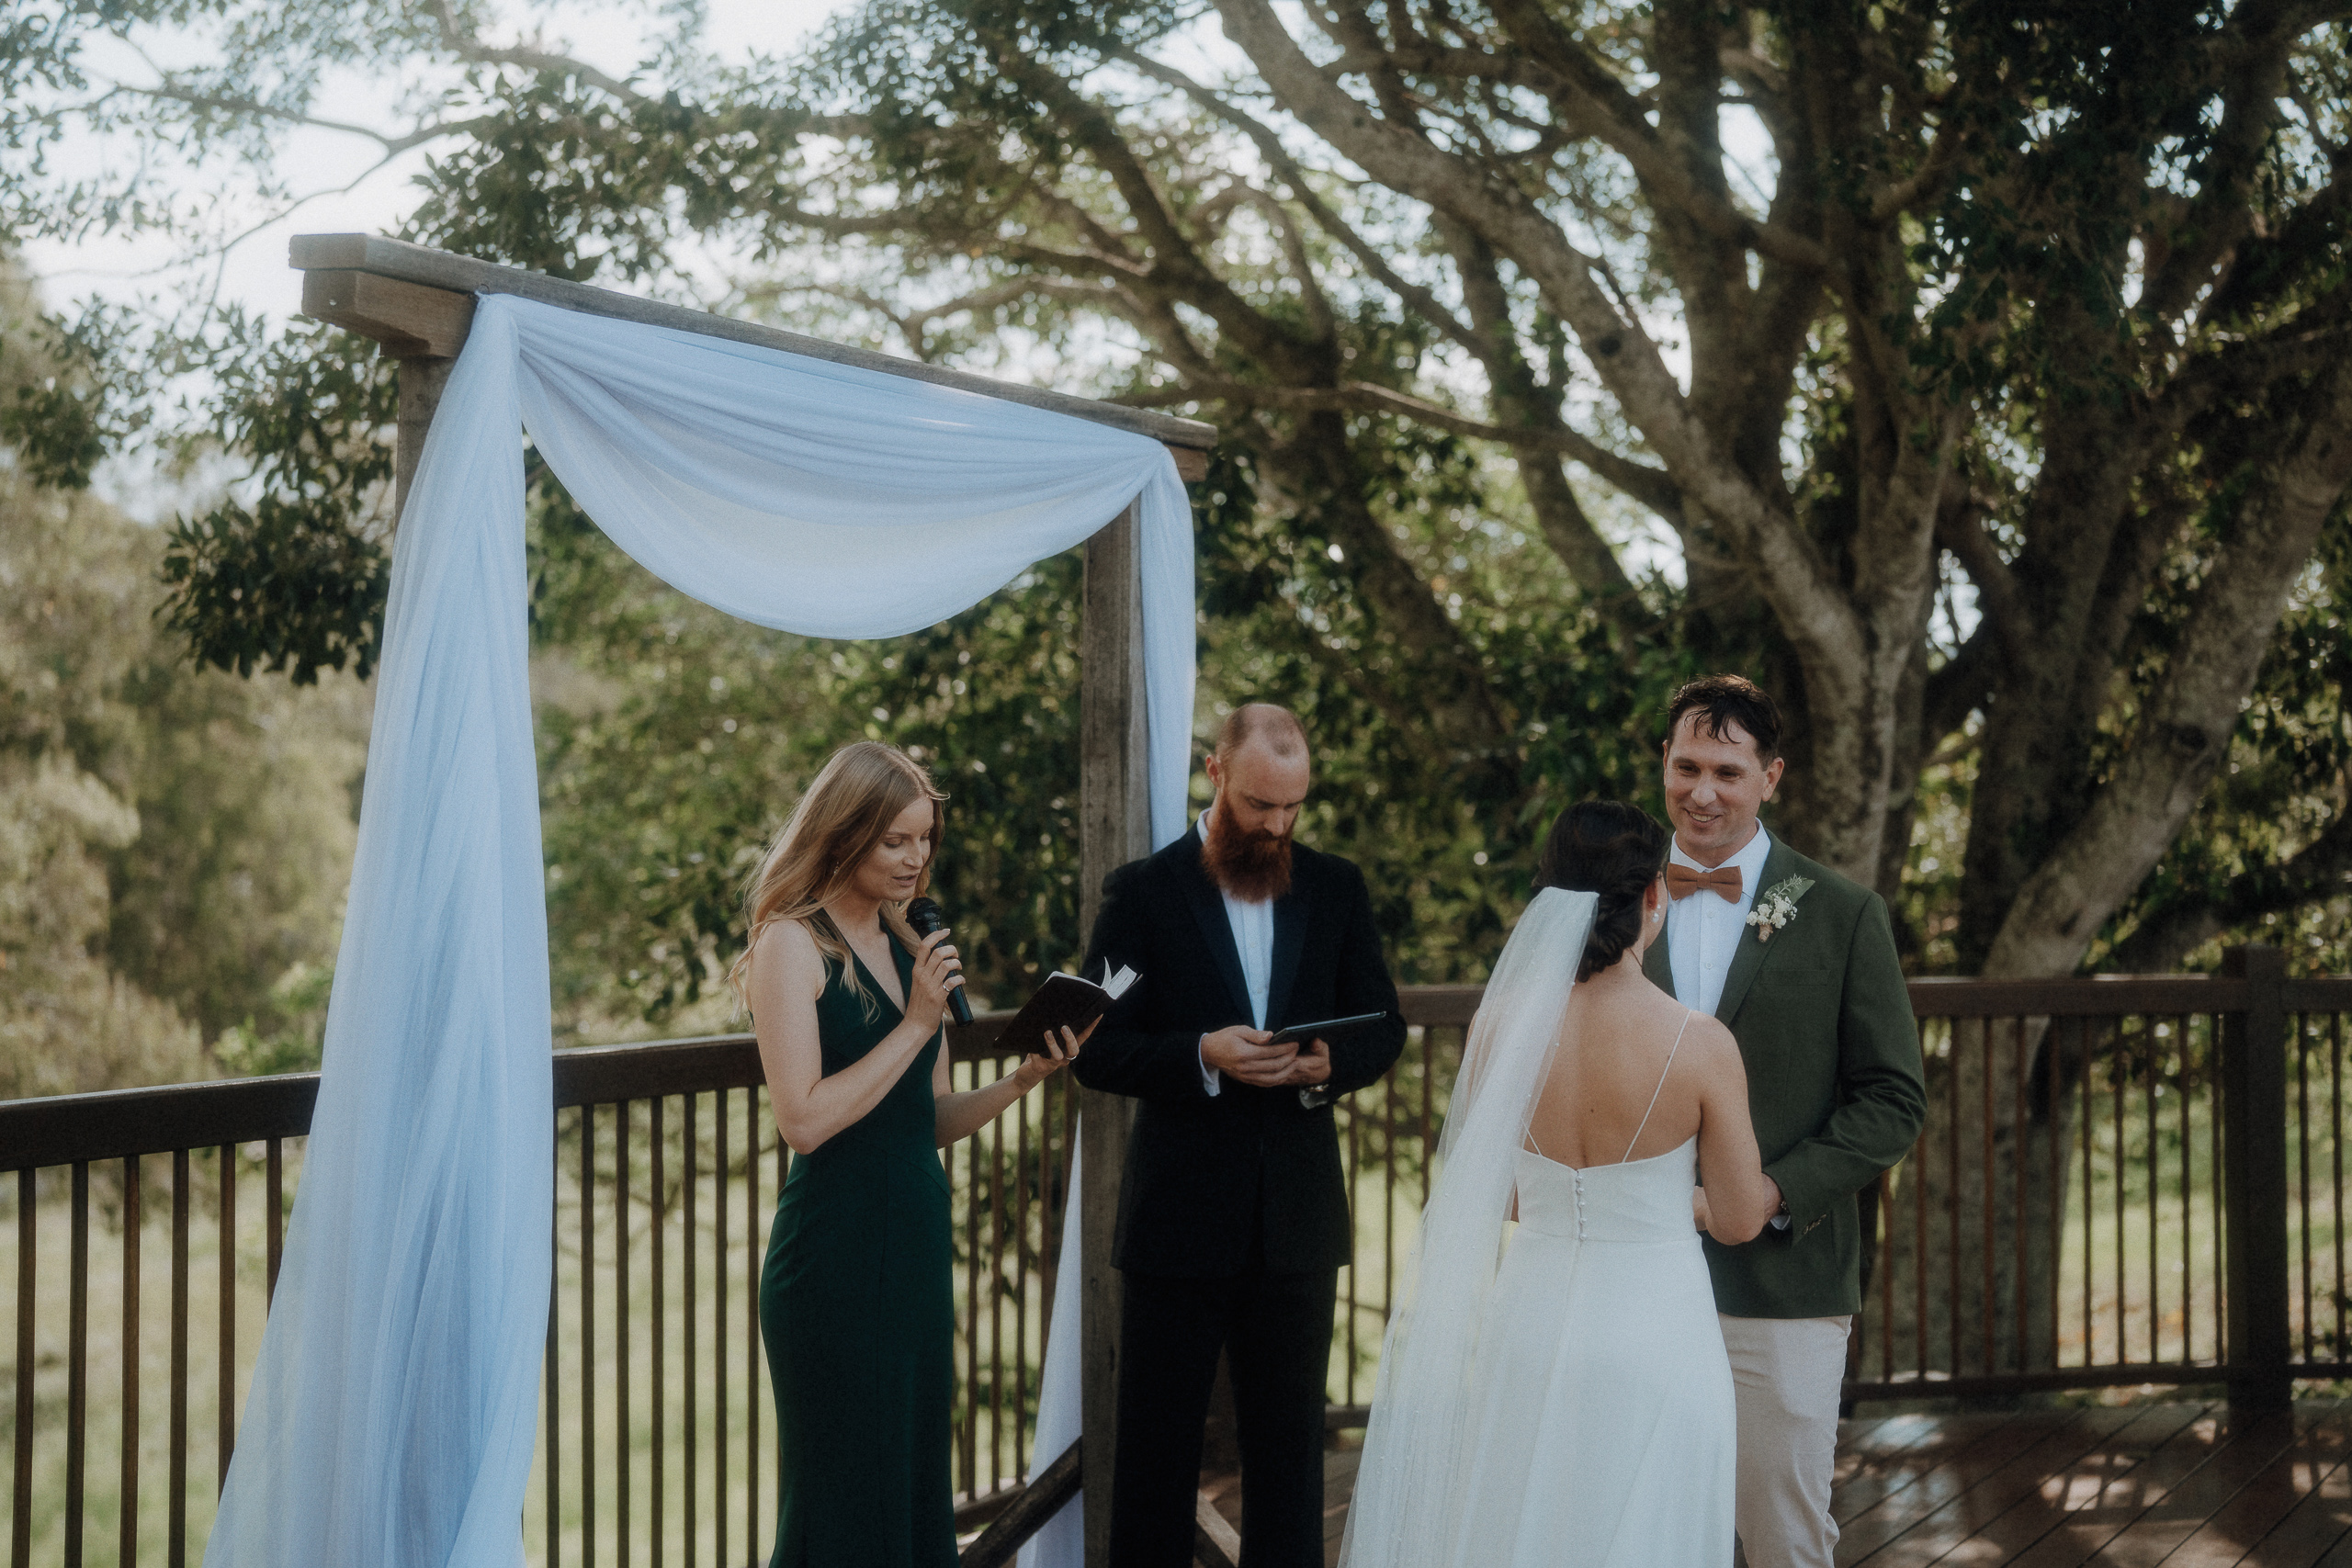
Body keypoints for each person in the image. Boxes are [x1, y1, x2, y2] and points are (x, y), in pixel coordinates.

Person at [1340, 799, 1780, 1568]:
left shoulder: (1498, 1025)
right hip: (1655, 1335)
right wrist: (1664, 1204)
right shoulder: (1700, 1043)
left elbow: (1498, 1190)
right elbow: (1741, 1217)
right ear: (1652, 896)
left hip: (1530, 1329)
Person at [734, 741, 1091, 1568]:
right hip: (833, 1261)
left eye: (925, 838)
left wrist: (1021, 1079)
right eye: (895, 839)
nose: (916, 857)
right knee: (842, 1499)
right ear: (844, 832)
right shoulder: (794, 943)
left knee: (912, 1485)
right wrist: (918, 1023)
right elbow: (806, 1119)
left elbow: (923, 1118)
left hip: (916, 1249)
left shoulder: (908, 948)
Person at [1072, 703, 1406, 1568]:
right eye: (1261, 805)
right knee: (1155, 1456)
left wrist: (1329, 1060)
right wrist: (1202, 1056)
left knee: (1291, 1458)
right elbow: (1095, 1051)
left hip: (1297, 1220)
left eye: (1294, 807)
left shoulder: (1337, 887)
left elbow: (1386, 1026)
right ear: (1215, 772)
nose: (1278, 825)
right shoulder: (1141, 892)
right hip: (1176, 1222)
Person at [1641, 675, 1926, 1568]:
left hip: (1783, 1284)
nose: (1702, 791)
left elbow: (1891, 1097)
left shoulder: (1843, 914)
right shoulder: (1614, 903)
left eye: (1727, 771)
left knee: (1783, 1535)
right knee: (1645, 1532)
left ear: (1771, 777)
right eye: (1686, 766)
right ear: (1663, 766)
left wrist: (1770, 1193)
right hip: (1632, 1278)